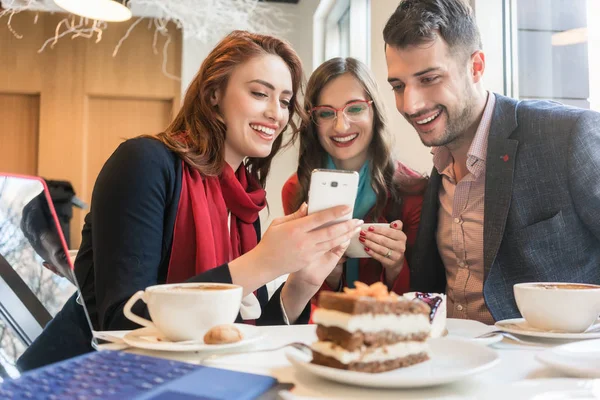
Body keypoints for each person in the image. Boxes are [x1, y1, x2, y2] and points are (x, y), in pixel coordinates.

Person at [17, 30, 363, 371]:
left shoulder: (244, 202)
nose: (277, 113)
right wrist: (262, 263)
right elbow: (122, 322)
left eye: (285, 101)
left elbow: (237, 337)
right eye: (260, 93)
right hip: (72, 381)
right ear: (214, 94)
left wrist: (301, 283)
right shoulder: (144, 162)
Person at [383, 0, 600, 324]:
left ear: (476, 67)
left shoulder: (567, 135)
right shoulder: (436, 170)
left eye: (429, 79)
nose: (410, 105)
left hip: (549, 367)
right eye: (398, 86)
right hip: (448, 362)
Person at [281, 57, 427, 300]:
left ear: (374, 111)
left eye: (355, 108)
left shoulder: (414, 191)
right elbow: (300, 303)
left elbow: (425, 299)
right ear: (313, 122)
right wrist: (330, 275)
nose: (341, 126)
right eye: (326, 113)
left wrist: (396, 268)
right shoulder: (297, 190)